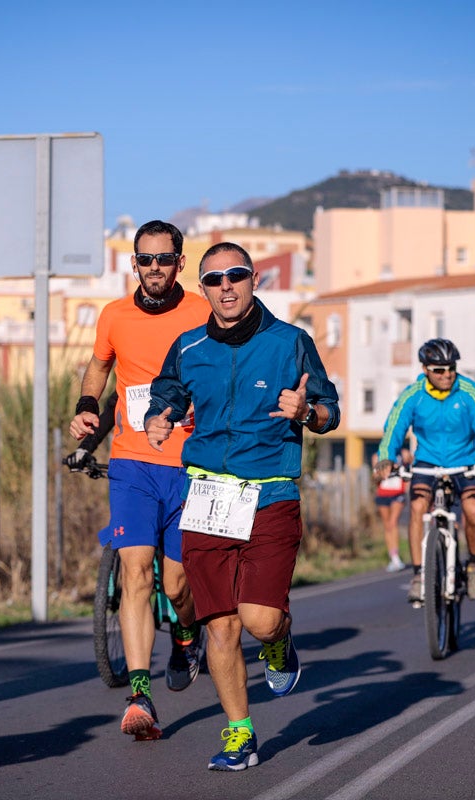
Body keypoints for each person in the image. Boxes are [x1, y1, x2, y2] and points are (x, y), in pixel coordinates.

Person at [145, 242, 340, 772]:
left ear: (253, 279)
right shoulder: (187, 347)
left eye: (235, 275)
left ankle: (279, 643)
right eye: (213, 279)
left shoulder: (290, 342)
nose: (225, 286)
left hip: (269, 493)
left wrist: (309, 412)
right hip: (207, 495)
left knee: (259, 620)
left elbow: (330, 409)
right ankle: (240, 733)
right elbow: (166, 395)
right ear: (202, 288)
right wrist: (157, 419)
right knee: (220, 626)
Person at [69, 220, 212, 742]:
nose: (155, 268)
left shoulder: (202, 311)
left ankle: (186, 635)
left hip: (189, 466)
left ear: (179, 262)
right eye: (145, 259)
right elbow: (98, 368)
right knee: (134, 573)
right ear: (135, 263)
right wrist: (87, 408)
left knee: (177, 584)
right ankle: (139, 692)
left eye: (164, 259)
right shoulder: (114, 315)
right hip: (132, 463)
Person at [374, 338, 475, 606]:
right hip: (428, 461)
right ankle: (419, 574)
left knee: (474, 512)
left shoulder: (470, 392)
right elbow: (394, 428)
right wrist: (386, 458)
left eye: (451, 368)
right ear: (425, 369)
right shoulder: (413, 395)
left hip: (465, 460)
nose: (447, 375)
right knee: (418, 506)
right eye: (439, 370)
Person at [372, 449, 408, 571]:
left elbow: (411, 468)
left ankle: (396, 555)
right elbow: (374, 476)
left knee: (393, 522)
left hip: (398, 492)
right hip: (383, 493)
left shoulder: (404, 454)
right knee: (387, 525)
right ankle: (393, 556)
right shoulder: (376, 456)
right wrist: (379, 474)